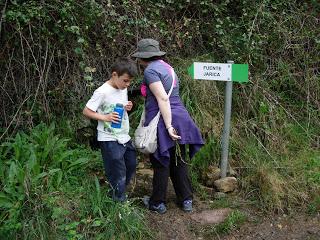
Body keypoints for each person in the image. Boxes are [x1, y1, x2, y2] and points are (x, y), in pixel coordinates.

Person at [132, 39, 204, 213]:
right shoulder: (168, 68)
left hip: (165, 120)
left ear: (142, 57)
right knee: (178, 160)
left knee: (161, 160)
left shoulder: (150, 71)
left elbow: (163, 98)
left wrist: (169, 126)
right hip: (181, 117)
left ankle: (158, 203)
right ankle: (186, 200)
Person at [83, 57, 138, 202]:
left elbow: (118, 107)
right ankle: (118, 203)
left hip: (124, 136)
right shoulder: (102, 92)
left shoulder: (122, 89)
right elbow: (87, 111)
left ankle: (116, 193)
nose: (128, 84)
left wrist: (127, 107)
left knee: (131, 164)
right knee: (117, 172)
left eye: (130, 81)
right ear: (114, 75)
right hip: (108, 138)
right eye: (125, 80)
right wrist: (105, 117)